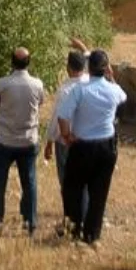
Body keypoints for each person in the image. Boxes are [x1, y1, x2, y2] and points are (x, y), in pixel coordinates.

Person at [54, 48, 127, 245]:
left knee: (73, 189)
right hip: (106, 147)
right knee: (99, 193)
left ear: (89, 67)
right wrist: (112, 77)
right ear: (106, 69)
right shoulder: (114, 90)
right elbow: (123, 97)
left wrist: (67, 135)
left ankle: (73, 230)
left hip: (82, 145)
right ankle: (92, 235)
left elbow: (63, 115)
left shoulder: (80, 90)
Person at [0, 47, 45, 237]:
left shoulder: (3, 83)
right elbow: (41, 103)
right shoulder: (37, 84)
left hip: (4, 140)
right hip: (28, 141)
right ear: (29, 63)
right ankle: (31, 223)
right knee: (29, 182)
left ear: (11, 62)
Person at [44, 47, 89, 200]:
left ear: (68, 67)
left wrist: (49, 141)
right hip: (88, 140)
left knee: (66, 179)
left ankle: (71, 215)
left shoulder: (65, 90)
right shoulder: (91, 84)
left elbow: (57, 117)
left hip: (66, 141)